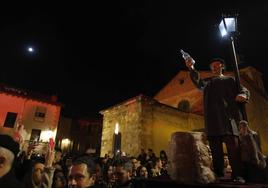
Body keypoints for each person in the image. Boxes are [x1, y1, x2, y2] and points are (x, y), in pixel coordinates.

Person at [185, 57, 250, 182]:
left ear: (222, 66)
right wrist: (191, 68)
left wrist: (243, 95)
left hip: (228, 119)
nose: (214, 67)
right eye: (212, 66)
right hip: (212, 120)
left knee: (234, 149)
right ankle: (218, 175)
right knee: (215, 151)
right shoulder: (207, 82)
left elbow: (244, 90)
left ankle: (238, 175)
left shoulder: (230, 80)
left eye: (217, 65)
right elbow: (198, 82)